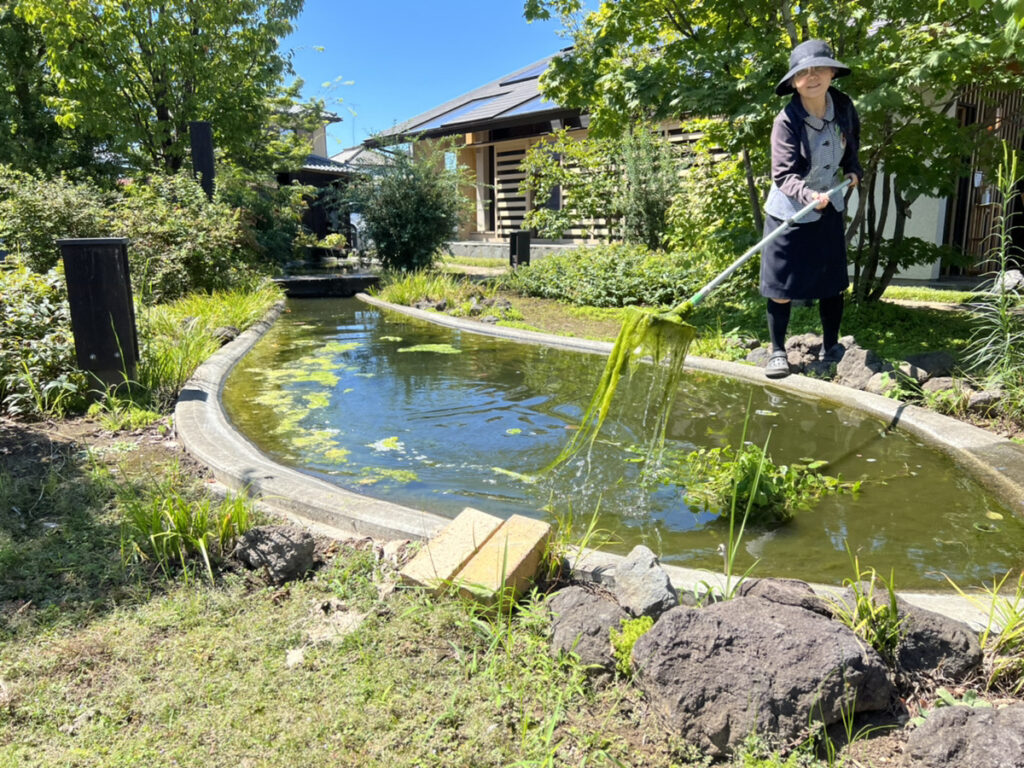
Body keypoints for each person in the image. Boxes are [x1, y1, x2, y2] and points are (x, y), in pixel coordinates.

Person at [761, 39, 862, 379]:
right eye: (804, 72)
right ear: (794, 82)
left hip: (829, 204)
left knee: (831, 281)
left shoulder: (844, 107)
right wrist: (806, 194)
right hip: (789, 211)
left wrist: (853, 171)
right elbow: (783, 174)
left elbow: (852, 147)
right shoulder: (787, 120)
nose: (813, 76)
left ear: (832, 72)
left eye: (819, 68)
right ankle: (777, 351)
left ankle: (831, 345)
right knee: (781, 286)